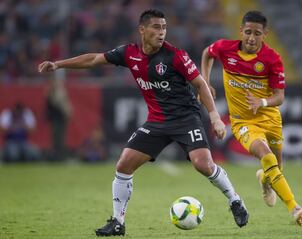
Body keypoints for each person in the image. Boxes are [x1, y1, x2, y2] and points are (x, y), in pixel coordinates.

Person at [38, 9, 249, 237]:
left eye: (164, 28)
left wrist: (215, 117)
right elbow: (94, 59)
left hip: (185, 119)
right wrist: (58, 65)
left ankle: (235, 200)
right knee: (123, 165)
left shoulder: (175, 55)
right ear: (142, 30)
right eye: (156, 27)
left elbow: (200, 84)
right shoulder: (129, 53)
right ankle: (118, 222)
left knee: (203, 165)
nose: (162, 32)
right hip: (157, 122)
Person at [201, 11, 302, 226]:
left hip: (270, 118)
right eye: (248, 32)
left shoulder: (272, 59)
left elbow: (279, 97)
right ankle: (294, 208)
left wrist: (262, 102)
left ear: (265, 34)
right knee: (267, 157)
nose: (251, 38)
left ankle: (265, 181)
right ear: (241, 31)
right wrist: (205, 82)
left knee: (276, 168)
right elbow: (207, 53)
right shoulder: (225, 48)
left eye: (257, 33)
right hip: (242, 121)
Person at [45, 78, 72, 161]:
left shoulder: (59, 94)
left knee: (59, 138)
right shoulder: (52, 93)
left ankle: (59, 155)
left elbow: (62, 106)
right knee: (56, 138)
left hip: (60, 118)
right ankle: (57, 155)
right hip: (56, 119)